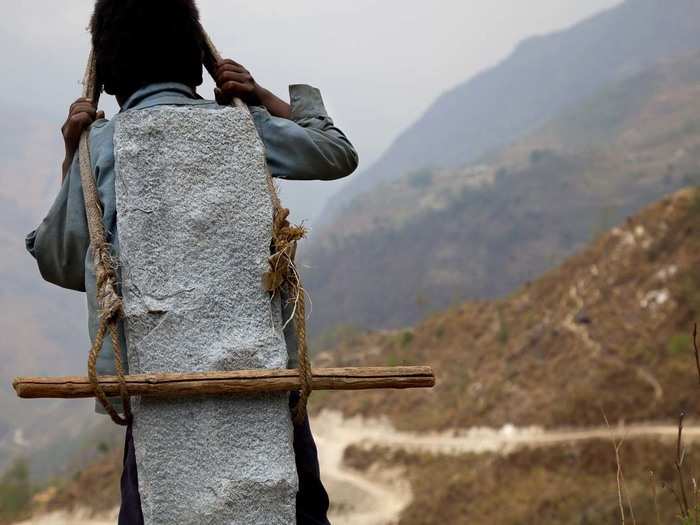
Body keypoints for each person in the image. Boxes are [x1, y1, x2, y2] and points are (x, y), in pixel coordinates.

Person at [25, 1, 359, 523]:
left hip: (159, 400)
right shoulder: (245, 129)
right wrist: (261, 97)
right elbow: (335, 153)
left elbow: (64, 262)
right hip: (264, 388)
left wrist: (73, 153)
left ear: (107, 78)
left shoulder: (103, 149)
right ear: (197, 64)